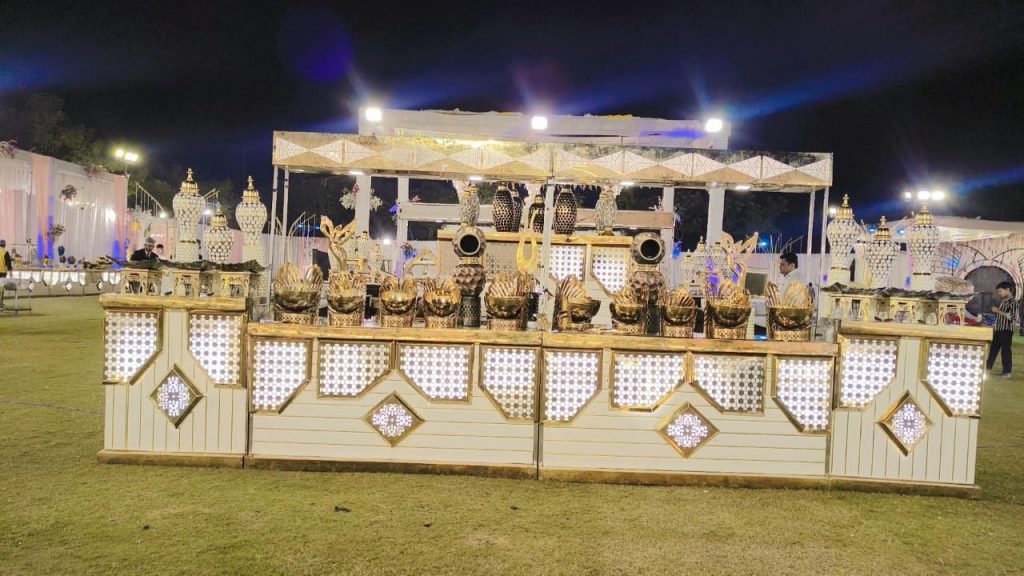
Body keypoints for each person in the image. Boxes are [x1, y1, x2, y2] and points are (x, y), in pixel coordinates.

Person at [986, 281, 1017, 378]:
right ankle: (987, 369)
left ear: (1007, 289)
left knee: (1005, 351)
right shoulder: (1003, 301)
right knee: (993, 350)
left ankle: (1007, 372)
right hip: (999, 329)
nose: (999, 293)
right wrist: (995, 325)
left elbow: (1012, 316)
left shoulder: (1013, 302)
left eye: (1000, 291)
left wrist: (997, 311)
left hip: (1007, 330)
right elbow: (1000, 317)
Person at [0, 239, 12, 312]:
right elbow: (8, 262)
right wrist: (10, 270)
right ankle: (0, 304)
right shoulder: (5, 252)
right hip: (2, 272)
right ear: (4, 245)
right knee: (1, 288)